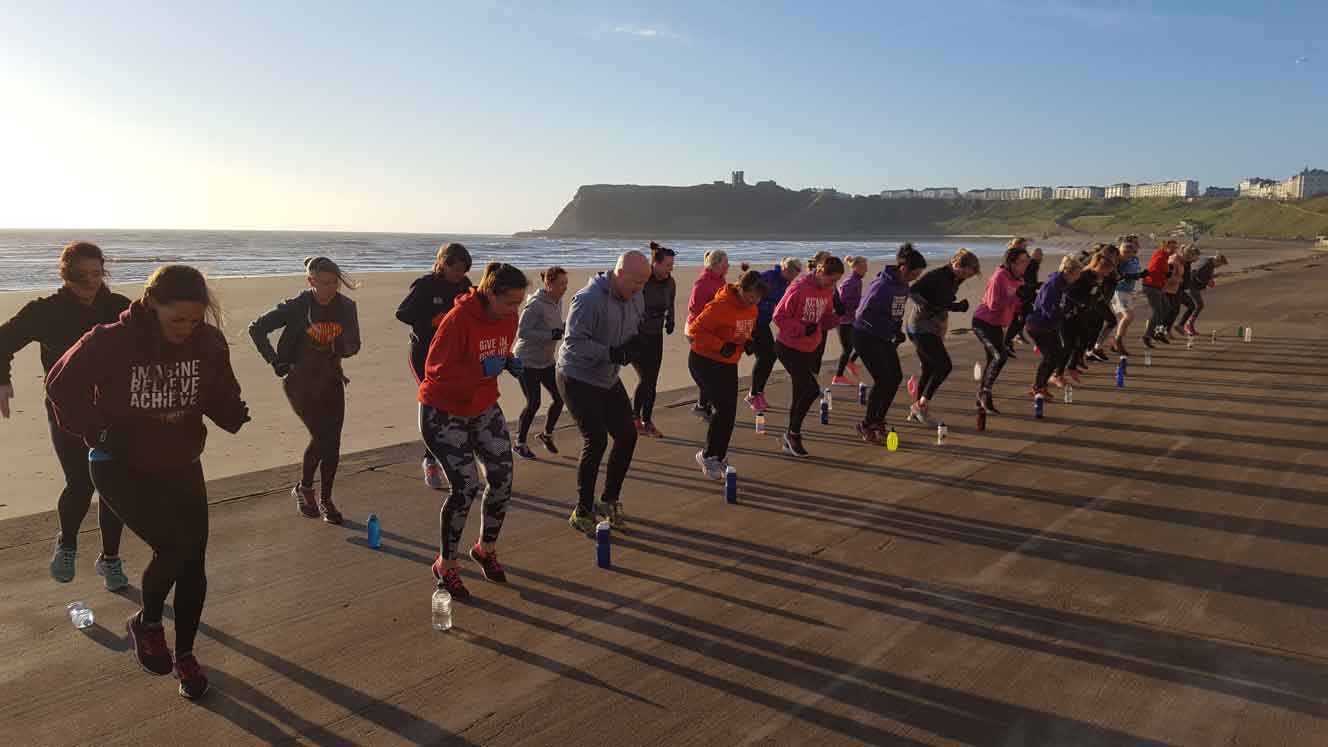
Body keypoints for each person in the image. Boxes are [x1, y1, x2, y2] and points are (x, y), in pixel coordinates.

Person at [46, 264, 250, 700]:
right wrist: (97, 431)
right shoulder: (109, 340)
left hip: (180, 461)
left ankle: (187, 655)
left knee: (193, 562)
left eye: (195, 320)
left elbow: (216, 390)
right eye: (177, 319)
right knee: (173, 547)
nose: (186, 328)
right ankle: (148, 623)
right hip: (118, 463)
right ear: (151, 304)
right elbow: (60, 385)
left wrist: (230, 412)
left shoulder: (209, 342)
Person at [0, 242, 130, 588]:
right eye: (79, 274)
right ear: (65, 274)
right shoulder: (45, 311)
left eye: (96, 273)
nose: (90, 281)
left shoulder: (119, 308)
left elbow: (155, 339)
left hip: (111, 408)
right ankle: (68, 542)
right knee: (81, 481)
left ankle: (110, 559)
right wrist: (2, 381)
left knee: (111, 482)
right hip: (66, 408)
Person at [418, 263, 528, 598]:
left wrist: (507, 360)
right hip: (443, 409)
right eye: (510, 302)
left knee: (502, 478)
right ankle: (446, 564)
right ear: (489, 293)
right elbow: (435, 373)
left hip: (481, 404)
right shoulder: (457, 321)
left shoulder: (508, 317)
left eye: (519, 303)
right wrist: (480, 368)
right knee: (465, 486)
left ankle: (485, 549)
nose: (515, 310)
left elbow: (496, 348)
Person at [249, 257, 361, 525]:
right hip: (299, 382)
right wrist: (275, 360)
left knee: (331, 441)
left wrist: (336, 345)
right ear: (311, 281)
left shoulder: (346, 307)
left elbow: (354, 344)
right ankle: (306, 488)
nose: (331, 288)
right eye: (324, 283)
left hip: (331, 379)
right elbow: (257, 329)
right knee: (323, 437)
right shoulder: (297, 306)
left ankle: (325, 498)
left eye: (334, 282)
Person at [558, 252, 649, 533]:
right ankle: (582, 509)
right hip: (576, 376)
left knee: (627, 435)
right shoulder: (588, 300)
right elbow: (573, 344)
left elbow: (633, 328)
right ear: (619, 273)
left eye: (644, 283)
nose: (639, 289)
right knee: (595, 440)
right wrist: (610, 352)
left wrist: (633, 344)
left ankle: (609, 499)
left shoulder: (636, 296)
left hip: (607, 377)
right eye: (635, 282)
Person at [396, 242, 473, 489]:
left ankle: (449, 453)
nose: (460, 275)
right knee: (434, 405)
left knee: (456, 405)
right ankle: (430, 461)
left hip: (452, 354)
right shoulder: (425, 285)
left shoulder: (464, 285)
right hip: (424, 354)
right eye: (457, 269)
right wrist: (431, 320)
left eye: (464, 270)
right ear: (443, 263)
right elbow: (403, 313)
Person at [687, 270, 768, 478]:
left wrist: (748, 341)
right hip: (704, 362)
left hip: (728, 364)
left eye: (758, 298)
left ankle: (718, 456)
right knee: (722, 408)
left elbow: (743, 330)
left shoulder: (752, 309)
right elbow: (695, 330)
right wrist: (720, 346)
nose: (754, 301)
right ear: (740, 289)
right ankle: (707, 455)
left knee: (730, 411)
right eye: (751, 296)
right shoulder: (719, 306)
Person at [771, 255, 845, 457]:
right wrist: (802, 329)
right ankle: (793, 434)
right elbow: (778, 316)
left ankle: (790, 436)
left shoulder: (827, 291)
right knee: (811, 389)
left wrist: (837, 315)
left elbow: (825, 321)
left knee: (800, 393)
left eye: (836, 281)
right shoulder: (799, 288)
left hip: (808, 348)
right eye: (831, 280)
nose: (833, 284)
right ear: (820, 272)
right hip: (788, 346)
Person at [853, 245, 927, 443]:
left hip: (884, 337)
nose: (916, 277)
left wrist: (896, 331)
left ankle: (878, 420)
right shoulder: (881, 285)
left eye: (919, 274)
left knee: (894, 378)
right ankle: (867, 424)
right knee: (883, 379)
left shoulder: (903, 285)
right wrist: (887, 329)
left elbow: (895, 312)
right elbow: (862, 315)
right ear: (903, 268)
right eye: (915, 273)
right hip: (864, 335)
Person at [905, 248, 981, 425]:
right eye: (963, 272)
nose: (964, 277)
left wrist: (955, 307)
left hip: (932, 328)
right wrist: (925, 306)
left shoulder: (955, 278)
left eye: (968, 276)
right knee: (944, 366)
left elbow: (941, 302)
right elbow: (913, 291)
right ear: (955, 264)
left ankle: (916, 410)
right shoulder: (936, 275)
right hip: (920, 327)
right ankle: (922, 405)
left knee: (929, 368)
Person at [511, 266, 568, 460]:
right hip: (526, 360)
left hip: (546, 360)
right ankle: (519, 443)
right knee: (534, 402)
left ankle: (546, 434)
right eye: (561, 283)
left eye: (566, 283)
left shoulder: (557, 300)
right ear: (548, 283)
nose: (565, 287)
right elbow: (522, 332)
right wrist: (548, 335)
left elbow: (555, 327)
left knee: (560, 397)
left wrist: (563, 329)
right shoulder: (535, 304)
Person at [971, 242, 1031, 413]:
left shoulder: (1019, 279)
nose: (1026, 264)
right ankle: (985, 394)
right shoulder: (999, 277)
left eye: (1027, 261)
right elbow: (993, 305)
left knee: (992, 360)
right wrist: (1015, 298)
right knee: (1000, 356)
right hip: (983, 322)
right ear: (1012, 263)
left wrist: (1027, 302)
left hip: (998, 324)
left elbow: (1017, 304)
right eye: (1022, 261)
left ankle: (980, 399)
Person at [745, 257, 803, 413]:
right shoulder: (768, 277)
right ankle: (753, 394)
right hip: (752, 321)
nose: (793, 277)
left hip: (763, 322)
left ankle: (757, 392)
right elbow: (752, 298)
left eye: (796, 274)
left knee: (770, 356)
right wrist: (774, 306)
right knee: (766, 356)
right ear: (785, 269)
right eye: (792, 273)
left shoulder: (785, 282)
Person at [633, 242, 676, 437]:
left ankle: (645, 420)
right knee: (646, 379)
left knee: (652, 380)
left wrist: (671, 320)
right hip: (637, 335)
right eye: (667, 265)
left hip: (656, 335)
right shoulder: (642, 280)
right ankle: (637, 419)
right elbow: (630, 304)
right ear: (655, 264)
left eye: (671, 265)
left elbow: (671, 303)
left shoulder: (670, 282)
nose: (671, 268)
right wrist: (645, 315)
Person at [1025, 254, 1085, 396]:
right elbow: (1048, 308)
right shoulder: (1054, 283)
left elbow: (1064, 301)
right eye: (1077, 274)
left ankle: (1041, 385)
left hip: (1049, 325)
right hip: (1038, 325)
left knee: (1056, 356)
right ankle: (1038, 387)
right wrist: (1065, 313)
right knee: (1050, 357)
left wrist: (1073, 306)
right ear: (1068, 271)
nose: (1078, 277)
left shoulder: (1062, 282)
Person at [686, 250, 729, 421]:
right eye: (726, 263)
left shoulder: (720, 280)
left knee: (713, 369)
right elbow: (694, 310)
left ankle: (703, 406)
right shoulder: (702, 283)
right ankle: (706, 406)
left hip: (714, 333)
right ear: (717, 264)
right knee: (707, 371)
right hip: (698, 332)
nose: (728, 266)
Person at [830, 256, 868, 386]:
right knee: (847, 349)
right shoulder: (850, 282)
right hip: (843, 321)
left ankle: (850, 362)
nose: (867, 270)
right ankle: (838, 377)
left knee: (860, 342)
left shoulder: (857, 281)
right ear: (856, 267)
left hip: (852, 319)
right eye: (864, 267)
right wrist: (860, 303)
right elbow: (842, 303)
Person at [1109, 235, 1144, 356]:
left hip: (1128, 290)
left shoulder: (1134, 258)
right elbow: (1118, 274)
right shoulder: (1122, 258)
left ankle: (1116, 341)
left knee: (1129, 317)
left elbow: (1135, 272)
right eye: (1135, 244)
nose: (1138, 246)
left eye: (1136, 245)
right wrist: (1131, 276)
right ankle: (1117, 341)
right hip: (1119, 290)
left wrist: (1139, 275)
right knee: (1128, 316)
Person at [1003, 240, 1040, 353]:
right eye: (1022, 246)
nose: (1024, 248)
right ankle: (1007, 343)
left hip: (1027, 293)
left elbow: (1027, 279)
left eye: (1025, 246)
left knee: (1021, 320)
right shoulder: (1014, 263)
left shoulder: (1030, 261)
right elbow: (1022, 280)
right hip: (1022, 294)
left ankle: (1009, 342)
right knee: (1018, 320)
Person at [1140, 239, 1177, 348]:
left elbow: (1164, 273)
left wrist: (1167, 273)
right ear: (1165, 247)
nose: (1174, 250)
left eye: (1175, 248)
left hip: (1157, 287)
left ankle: (1157, 331)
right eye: (1172, 248)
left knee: (1166, 308)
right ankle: (1147, 335)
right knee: (1158, 311)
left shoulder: (1164, 257)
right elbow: (1153, 270)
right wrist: (1168, 273)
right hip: (1151, 286)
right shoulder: (1160, 257)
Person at [1179, 253, 1227, 335]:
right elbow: (1196, 274)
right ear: (1216, 260)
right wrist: (1208, 281)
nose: (1219, 266)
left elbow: (1203, 274)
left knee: (1198, 306)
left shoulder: (1209, 262)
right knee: (1198, 306)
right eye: (1219, 264)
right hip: (1192, 286)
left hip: (1193, 286)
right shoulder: (1206, 264)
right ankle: (1187, 325)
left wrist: (1210, 279)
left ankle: (1188, 324)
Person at [1166, 245, 1199, 335]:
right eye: (1190, 255)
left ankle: (1177, 326)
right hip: (1175, 288)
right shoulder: (1178, 260)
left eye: (1193, 256)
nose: (1195, 258)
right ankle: (1166, 330)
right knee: (1174, 310)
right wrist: (1179, 280)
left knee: (1189, 307)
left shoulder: (1186, 262)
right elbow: (1169, 275)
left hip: (1180, 288)